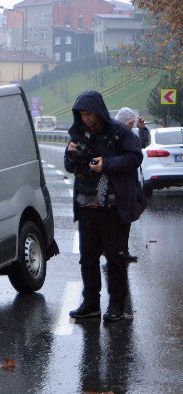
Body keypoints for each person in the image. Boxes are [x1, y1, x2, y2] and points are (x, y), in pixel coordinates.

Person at [64, 91, 144, 322]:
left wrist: (106, 164)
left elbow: (134, 157)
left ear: (99, 111)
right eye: (82, 114)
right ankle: (90, 305)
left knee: (115, 257)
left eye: (89, 113)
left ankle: (117, 305)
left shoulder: (119, 132)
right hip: (86, 205)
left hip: (114, 207)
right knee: (88, 258)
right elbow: (70, 166)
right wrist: (71, 156)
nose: (86, 118)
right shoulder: (78, 134)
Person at [114, 106, 149, 262]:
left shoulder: (129, 134)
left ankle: (123, 251)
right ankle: (115, 252)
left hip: (129, 181)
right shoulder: (113, 134)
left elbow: (142, 143)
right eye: (131, 124)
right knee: (118, 218)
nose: (132, 127)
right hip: (118, 181)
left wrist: (142, 130)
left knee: (127, 216)